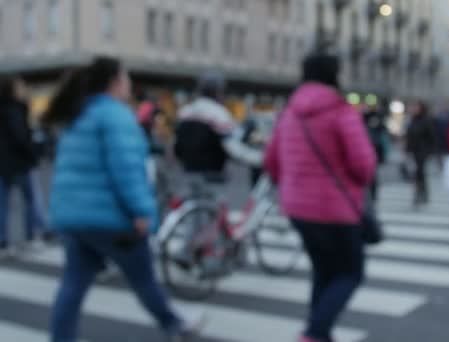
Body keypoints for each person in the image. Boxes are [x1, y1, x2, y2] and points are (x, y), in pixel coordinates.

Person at [44, 57, 194, 342]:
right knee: (143, 278)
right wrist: (141, 212)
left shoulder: (78, 113)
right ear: (115, 82)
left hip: (74, 217)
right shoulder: (116, 115)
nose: (129, 84)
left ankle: (60, 338)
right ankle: (174, 324)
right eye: (126, 78)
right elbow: (127, 170)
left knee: (73, 284)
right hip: (111, 218)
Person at [264, 53, 377, 342]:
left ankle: (319, 333)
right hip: (336, 209)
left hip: (298, 208)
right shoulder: (340, 110)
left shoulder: (289, 111)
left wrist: (293, 186)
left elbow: (271, 160)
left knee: (324, 271)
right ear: (334, 75)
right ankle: (315, 332)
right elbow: (364, 164)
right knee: (351, 273)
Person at [174, 71, 260, 184]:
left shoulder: (184, 112)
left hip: (187, 175)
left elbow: (177, 149)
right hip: (213, 178)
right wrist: (261, 158)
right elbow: (235, 144)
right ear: (218, 91)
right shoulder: (219, 114)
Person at [0, 76, 46, 255]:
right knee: (30, 200)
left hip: (4, 163)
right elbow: (21, 138)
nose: (24, 90)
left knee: (3, 203)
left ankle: (3, 241)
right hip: (19, 162)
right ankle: (31, 235)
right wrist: (34, 152)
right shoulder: (15, 110)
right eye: (20, 87)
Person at [405, 101, 438, 206]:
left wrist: (430, 152)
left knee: (419, 174)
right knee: (418, 174)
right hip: (413, 151)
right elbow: (409, 136)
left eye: (416, 107)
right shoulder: (412, 120)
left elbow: (432, 137)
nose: (413, 109)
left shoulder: (426, 121)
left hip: (422, 151)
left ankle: (419, 194)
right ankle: (421, 193)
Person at [363, 103, 389, 201]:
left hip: (375, 148)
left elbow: (383, 132)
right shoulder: (364, 117)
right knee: (371, 174)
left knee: (373, 174)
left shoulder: (379, 118)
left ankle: (373, 195)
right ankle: (370, 194)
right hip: (368, 147)